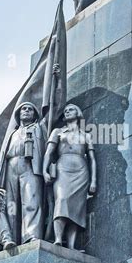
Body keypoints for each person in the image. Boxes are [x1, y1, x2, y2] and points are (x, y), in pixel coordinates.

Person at [43, 104, 97, 249]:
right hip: (62, 169)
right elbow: (48, 153)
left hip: (81, 171)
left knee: (76, 209)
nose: (67, 112)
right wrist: (44, 171)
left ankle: (72, 246)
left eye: (70, 109)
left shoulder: (86, 135)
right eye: (65, 111)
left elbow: (92, 159)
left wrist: (93, 181)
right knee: (61, 200)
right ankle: (58, 239)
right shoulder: (58, 132)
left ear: (78, 112)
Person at [0, 103, 48, 246]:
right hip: (11, 166)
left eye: (30, 109)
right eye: (24, 109)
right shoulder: (12, 133)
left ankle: (31, 235)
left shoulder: (40, 127)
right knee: (11, 204)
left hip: (30, 165)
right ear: (18, 114)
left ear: (35, 115)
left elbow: (54, 110)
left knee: (31, 200)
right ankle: (10, 238)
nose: (26, 111)